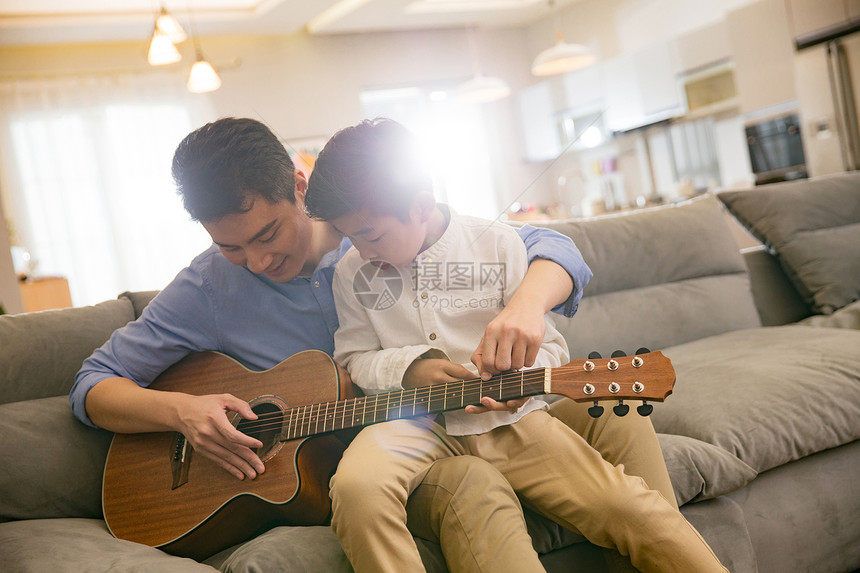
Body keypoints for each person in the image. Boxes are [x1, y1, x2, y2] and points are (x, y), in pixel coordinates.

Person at [69, 117, 592, 569]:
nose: (256, 261)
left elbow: (549, 247)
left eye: (268, 234)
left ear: (300, 185)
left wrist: (525, 306)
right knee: (472, 486)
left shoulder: (368, 226)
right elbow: (92, 384)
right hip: (349, 465)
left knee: (609, 419)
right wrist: (182, 412)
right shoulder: (207, 289)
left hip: (449, 423)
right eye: (230, 246)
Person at [304, 117, 729, 573]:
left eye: (370, 235)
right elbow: (354, 357)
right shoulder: (352, 272)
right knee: (355, 488)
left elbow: (551, 349)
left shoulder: (498, 244)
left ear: (421, 206)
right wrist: (410, 368)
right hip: (415, 426)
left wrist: (522, 383)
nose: (362, 250)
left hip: (515, 425)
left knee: (625, 507)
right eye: (350, 237)